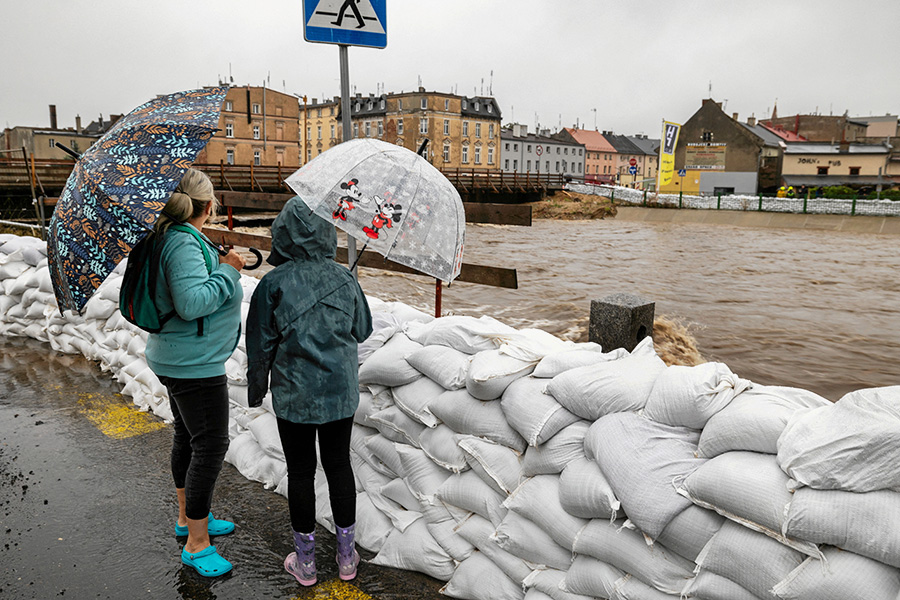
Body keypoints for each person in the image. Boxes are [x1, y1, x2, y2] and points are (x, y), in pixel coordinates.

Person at [246, 197, 373, 587]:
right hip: (339, 393)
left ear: (282, 235)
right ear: (325, 234)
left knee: (300, 472)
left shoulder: (272, 284)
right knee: (338, 467)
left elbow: (259, 344)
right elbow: (362, 330)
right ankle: (347, 558)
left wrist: (257, 390)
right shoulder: (345, 278)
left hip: (294, 395)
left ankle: (306, 564)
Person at [145, 168, 246, 577]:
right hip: (193, 364)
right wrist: (229, 271)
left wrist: (218, 261)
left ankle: (189, 520)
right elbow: (190, 303)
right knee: (211, 445)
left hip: (178, 356)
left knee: (187, 437)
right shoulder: (181, 242)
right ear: (207, 206)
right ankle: (197, 544)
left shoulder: (170, 235)